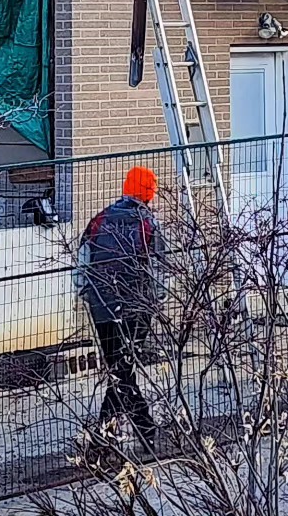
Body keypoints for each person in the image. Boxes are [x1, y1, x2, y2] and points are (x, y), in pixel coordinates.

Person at [75, 166, 166, 451]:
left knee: (119, 370)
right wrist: (157, 300)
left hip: (102, 307)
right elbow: (158, 269)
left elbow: (82, 263)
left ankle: (109, 435)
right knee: (123, 369)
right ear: (149, 194)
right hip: (136, 308)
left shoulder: (100, 220)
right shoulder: (148, 224)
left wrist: (88, 295)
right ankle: (136, 430)